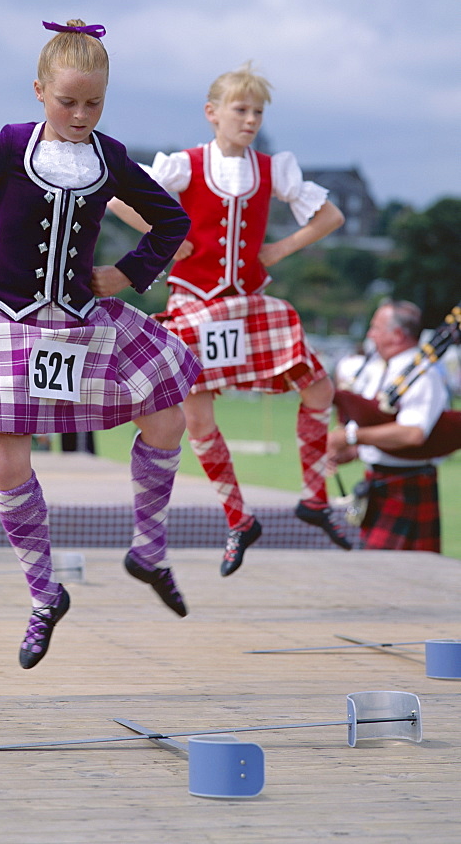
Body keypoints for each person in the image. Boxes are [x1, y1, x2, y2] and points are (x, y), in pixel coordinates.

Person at [0, 19, 202, 669]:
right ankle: (43, 596)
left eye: (94, 102)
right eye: (68, 101)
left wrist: (127, 273)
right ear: (40, 91)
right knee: (7, 465)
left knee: (167, 413)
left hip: (81, 318)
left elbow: (173, 219)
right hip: (9, 317)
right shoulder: (12, 146)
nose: (81, 114)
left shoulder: (111, 157)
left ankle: (148, 550)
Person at [110, 62, 350, 576]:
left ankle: (314, 497)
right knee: (196, 415)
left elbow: (331, 216)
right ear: (212, 113)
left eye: (257, 112)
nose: (250, 120)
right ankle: (239, 519)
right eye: (241, 110)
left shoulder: (272, 168)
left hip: (246, 300)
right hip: (195, 299)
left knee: (318, 388)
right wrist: (168, 240)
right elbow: (118, 198)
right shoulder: (186, 164)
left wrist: (281, 247)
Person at [327, 300, 446, 551]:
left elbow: (413, 434)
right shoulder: (384, 370)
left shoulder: (423, 374)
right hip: (378, 482)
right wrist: (351, 452)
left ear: (398, 334)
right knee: (376, 571)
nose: (370, 335)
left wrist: (351, 437)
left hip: (408, 486)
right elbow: (380, 429)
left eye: (376, 328)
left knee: (396, 573)